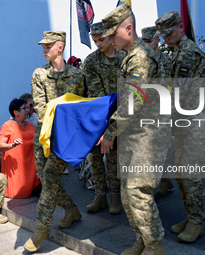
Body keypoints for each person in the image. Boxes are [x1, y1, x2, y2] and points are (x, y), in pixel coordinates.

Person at [100, 3, 171, 254]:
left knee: (137, 192)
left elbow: (133, 101)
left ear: (128, 28)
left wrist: (109, 134)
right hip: (135, 135)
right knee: (129, 195)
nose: (108, 40)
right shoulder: (129, 55)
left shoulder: (140, 57)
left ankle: (155, 246)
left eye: (112, 34)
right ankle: (141, 239)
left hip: (149, 138)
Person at [24, 31, 85, 253]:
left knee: (49, 179)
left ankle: (40, 230)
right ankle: (71, 209)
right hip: (44, 138)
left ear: (60, 47)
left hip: (65, 140)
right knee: (49, 180)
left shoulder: (77, 76)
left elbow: (79, 107)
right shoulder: (39, 74)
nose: (44, 49)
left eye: (48, 46)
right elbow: (40, 107)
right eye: (43, 46)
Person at [155, 10, 205, 243]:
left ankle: (197, 221)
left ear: (180, 26)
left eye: (169, 33)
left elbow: (179, 93)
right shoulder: (178, 51)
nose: (165, 38)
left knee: (190, 175)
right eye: (163, 35)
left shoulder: (188, 53)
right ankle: (191, 216)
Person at [84, 21, 125, 214]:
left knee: (115, 157)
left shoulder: (125, 58)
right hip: (99, 114)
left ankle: (115, 196)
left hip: (123, 114)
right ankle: (100, 195)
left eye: (101, 40)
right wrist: (101, 128)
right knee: (96, 156)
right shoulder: (91, 61)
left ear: (110, 36)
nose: (98, 44)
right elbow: (97, 95)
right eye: (95, 41)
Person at [141, 25, 175, 197]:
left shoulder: (168, 60)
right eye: (144, 42)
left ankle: (164, 178)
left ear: (158, 40)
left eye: (149, 41)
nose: (146, 45)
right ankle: (162, 179)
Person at [0, 98, 41, 199]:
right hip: (16, 164)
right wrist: (12, 145)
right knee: (19, 193)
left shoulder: (30, 125)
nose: (28, 110)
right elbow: (0, 145)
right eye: (24, 108)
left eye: (27, 107)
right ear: (16, 112)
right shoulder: (7, 126)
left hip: (30, 161)